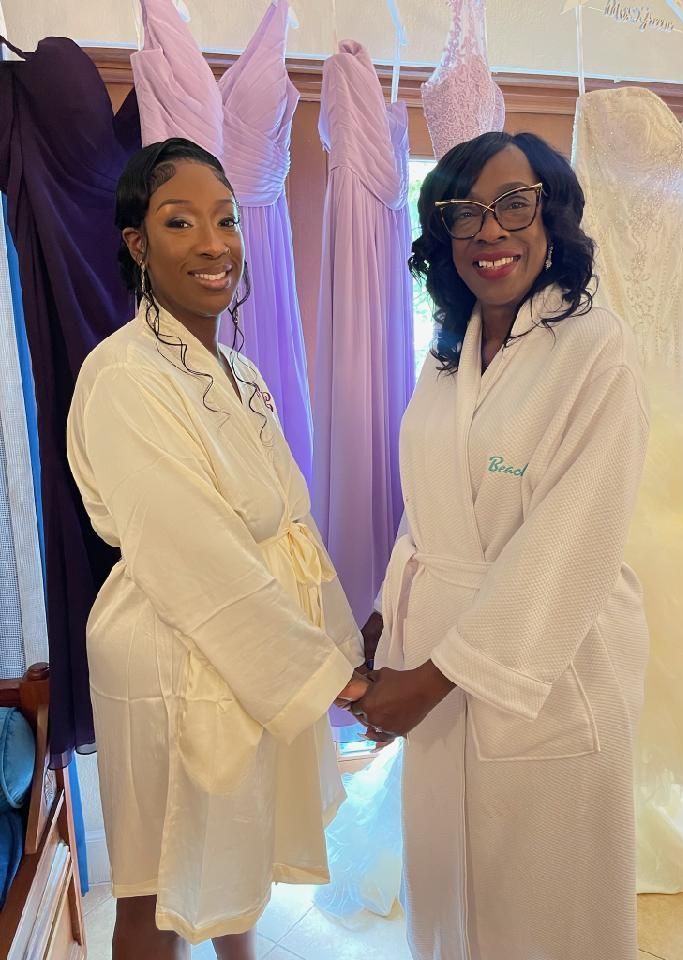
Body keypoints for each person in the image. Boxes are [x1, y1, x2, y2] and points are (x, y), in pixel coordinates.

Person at [66, 138, 367, 960]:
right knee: (157, 891)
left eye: (226, 220)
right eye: (180, 221)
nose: (214, 242)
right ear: (138, 244)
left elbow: (289, 527)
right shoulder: (125, 375)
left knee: (238, 852)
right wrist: (328, 672)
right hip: (173, 647)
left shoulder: (237, 369)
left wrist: (338, 641)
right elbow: (194, 553)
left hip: (242, 641)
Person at [354, 132, 650, 960]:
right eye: (466, 213)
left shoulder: (597, 350)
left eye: (513, 206)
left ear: (550, 217)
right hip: (436, 664)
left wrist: (435, 678)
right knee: (450, 891)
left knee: (542, 908)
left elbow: (569, 539)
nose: (491, 231)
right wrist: (385, 620)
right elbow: (428, 509)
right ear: (443, 234)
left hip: (545, 670)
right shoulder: (449, 352)